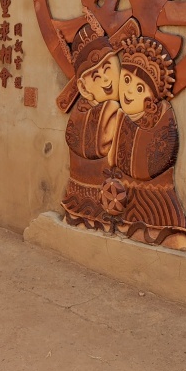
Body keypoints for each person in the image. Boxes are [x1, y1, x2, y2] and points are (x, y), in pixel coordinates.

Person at [108, 35, 186, 250]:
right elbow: (111, 161)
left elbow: (154, 162)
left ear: (152, 98)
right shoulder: (120, 118)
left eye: (139, 89)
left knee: (171, 238)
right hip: (124, 199)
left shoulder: (163, 117)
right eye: (126, 80)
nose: (128, 92)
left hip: (158, 201)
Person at [60, 14, 123, 232]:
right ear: (84, 88)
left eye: (108, 69)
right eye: (95, 77)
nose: (106, 81)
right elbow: (99, 143)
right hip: (89, 201)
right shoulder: (84, 115)